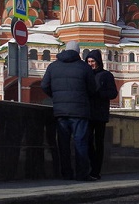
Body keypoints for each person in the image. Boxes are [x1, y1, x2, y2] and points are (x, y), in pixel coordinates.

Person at [41, 41, 97, 181]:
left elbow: (44, 85)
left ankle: (66, 173)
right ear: (78, 52)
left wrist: (57, 96)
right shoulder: (84, 67)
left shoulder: (53, 66)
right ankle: (82, 174)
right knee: (80, 143)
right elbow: (92, 88)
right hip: (80, 112)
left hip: (60, 111)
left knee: (63, 144)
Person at [85, 49, 118, 180]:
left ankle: (96, 170)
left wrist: (100, 94)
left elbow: (113, 93)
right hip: (87, 113)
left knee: (99, 143)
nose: (90, 64)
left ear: (98, 62)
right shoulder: (85, 74)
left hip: (100, 114)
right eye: (88, 61)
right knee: (87, 141)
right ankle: (90, 166)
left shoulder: (106, 75)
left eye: (93, 61)